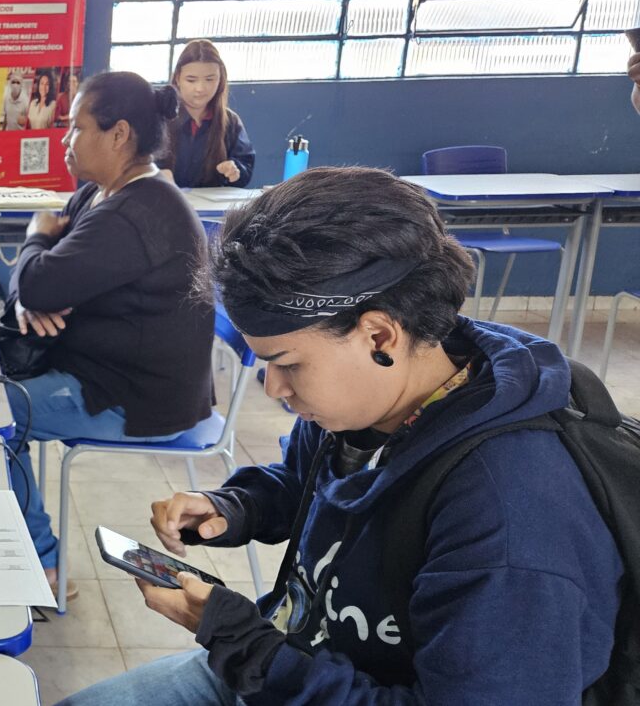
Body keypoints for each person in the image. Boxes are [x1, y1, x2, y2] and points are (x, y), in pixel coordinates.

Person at [61, 167, 621, 705]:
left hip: (288, 674)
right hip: (284, 669)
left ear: (379, 336)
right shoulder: (368, 402)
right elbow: (306, 486)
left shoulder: (509, 518)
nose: (274, 388)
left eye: (287, 363)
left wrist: (249, 648)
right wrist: (236, 508)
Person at [4, 71, 214, 596]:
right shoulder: (101, 196)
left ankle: (43, 566)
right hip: (104, 373)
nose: (65, 140)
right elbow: (35, 285)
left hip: (134, 398)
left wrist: (35, 237)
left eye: (77, 128)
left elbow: (38, 275)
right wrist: (29, 298)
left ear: (119, 134)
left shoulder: (137, 213)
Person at [159, 40, 255, 188]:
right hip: (165, 199)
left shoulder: (230, 121)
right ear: (178, 78)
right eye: (191, 80)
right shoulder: (158, 118)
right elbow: (135, 164)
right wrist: (156, 174)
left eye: (210, 79)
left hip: (212, 203)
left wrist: (235, 170)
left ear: (220, 79)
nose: (200, 88)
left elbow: (246, 166)